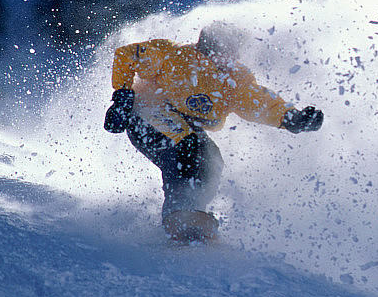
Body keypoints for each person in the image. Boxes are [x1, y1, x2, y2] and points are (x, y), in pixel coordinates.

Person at [103, 21, 323, 242]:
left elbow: (260, 102)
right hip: (146, 116)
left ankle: (193, 214)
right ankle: (180, 210)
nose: (231, 56)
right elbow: (127, 54)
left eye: (233, 51)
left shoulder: (233, 79)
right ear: (209, 46)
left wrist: (291, 118)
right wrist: (123, 96)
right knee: (188, 147)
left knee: (211, 159)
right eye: (226, 49)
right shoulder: (173, 54)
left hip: (182, 128)